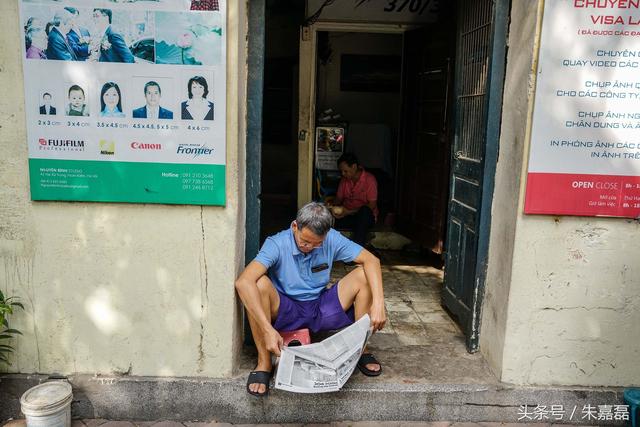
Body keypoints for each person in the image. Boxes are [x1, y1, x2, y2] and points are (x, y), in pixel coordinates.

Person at [235, 202, 385, 397]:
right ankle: (264, 362)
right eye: (305, 242)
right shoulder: (277, 243)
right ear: (295, 226)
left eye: (317, 244)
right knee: (258, 284)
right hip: (286, 309)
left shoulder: (331, 238)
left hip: (320, 307)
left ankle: (361, 350)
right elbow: (243, 282)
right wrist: (267, 329)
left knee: (364, 275)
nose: (310, 248)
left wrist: (378, 304)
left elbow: (372, 260)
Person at [330, 153, 378, 247]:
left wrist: (348, 212)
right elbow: (339, 199)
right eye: (341, 171)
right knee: (329, 219)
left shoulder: (370, 180)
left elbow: (372, 205)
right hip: (348, 216)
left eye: (345, 171)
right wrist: (331, 206)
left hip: (365, 217)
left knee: (364, 212)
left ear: (354, 167)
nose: (343, 174)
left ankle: (357, 251)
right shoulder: (344, 180)